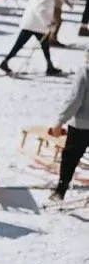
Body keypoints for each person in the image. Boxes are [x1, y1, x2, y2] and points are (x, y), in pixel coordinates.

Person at [0, 0, 66, 76]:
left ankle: (6, 61)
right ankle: (49, 66)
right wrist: (49, 23)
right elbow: (41, 10)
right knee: (41, 47)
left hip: (30, 23)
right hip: (37, 25)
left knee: (25, 45)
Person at [47, 53, 89, 203]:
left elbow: (75, 99)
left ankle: (60, 190)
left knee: (70, 157)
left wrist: (60, 121)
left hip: (82, 124)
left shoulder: (85, 71)